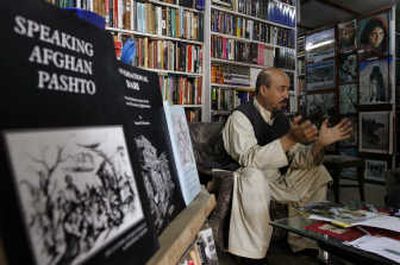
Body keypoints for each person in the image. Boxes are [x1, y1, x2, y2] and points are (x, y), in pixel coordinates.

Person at [221, 67, 352, 263]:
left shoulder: (282, 119)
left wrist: (319, 145)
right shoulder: (240, 117)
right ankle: (252, 256)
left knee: (317, 171)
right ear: (263, 90)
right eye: (281, 89)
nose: (286, 95)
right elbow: (249, 159)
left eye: (288, 90)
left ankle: (304, 243)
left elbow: (299, 159)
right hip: (250, 181)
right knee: (253, 175)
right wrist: (289, 139)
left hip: (277, 180)